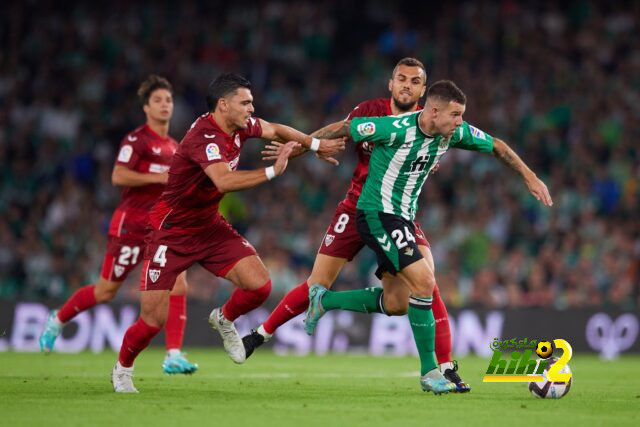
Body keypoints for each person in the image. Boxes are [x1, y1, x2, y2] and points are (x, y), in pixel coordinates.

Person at [304, 80, 553, 394]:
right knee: (424, 282)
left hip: (404, 219)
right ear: (433, 111)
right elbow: (345, 127)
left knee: (396, 303)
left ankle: (324, 300)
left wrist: (530, 177)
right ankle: (430, 371)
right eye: (456, 114)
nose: (460, 122)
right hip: (376, 214)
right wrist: (300, 145)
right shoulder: (393, 128)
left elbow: (498, 146)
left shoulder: (453, 133)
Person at [243, 58, 470, 392]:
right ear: (390, 84)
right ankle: (260, 335)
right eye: (401, 79)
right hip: (356, 207)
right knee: (316, 282)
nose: (407, 85)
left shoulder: (431, 121)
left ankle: (446, 366)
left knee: (417, 289)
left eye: (415, 81)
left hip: (397, 213)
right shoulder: (370, 109)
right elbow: (337, 131)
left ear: (424, 90)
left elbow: (453, 145)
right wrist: (302, 146)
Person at [111, 73, 344, 393]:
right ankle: (123, 369)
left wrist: (315, 144)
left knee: (259, 285)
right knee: (152, 321)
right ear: (224, 105)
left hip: (208, 225)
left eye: (251, 102)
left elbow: (276, 129)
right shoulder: (204, 138)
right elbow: (223, 181)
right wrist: (273, 171)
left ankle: (224, 317)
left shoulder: (241, 125)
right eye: (245, 102)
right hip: (170, 232)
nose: (252, 108)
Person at [39, 75, 197, 375]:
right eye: (158, 100)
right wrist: (157, 178)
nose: (165, 105)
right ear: (146, 108)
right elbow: (119, 176)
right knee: (106, 291)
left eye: (169, 100)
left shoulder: (176, 148)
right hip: (131, 227)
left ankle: (173, 355)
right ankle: (58, 318)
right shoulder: (136, 140)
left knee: (179, 283)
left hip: (161, 229)